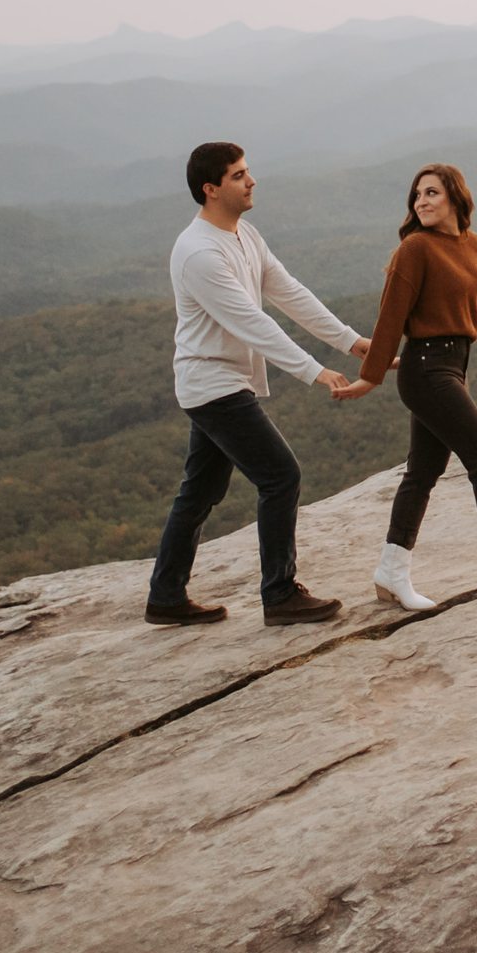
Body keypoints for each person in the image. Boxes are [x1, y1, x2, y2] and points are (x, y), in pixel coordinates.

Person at [146, 141, 376, 628]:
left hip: (220, 382)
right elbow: (254, 323)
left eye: (248, 172)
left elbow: (289, 293)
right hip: (213, 384)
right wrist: (316, 370)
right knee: (280, 475)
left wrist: (353, 343)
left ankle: (165, 596)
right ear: (210, 190)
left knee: (200, 491)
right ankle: (280, 593)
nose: (251, 181)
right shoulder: (198, 254)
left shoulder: (244, 235)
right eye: (238, 176)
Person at [334, 163, 477, 610]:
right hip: (425, 370)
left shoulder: (472, 244)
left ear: (455, 198)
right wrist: (372, 375)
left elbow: (459, 318)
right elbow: (391, 317)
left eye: (431, 193)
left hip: (452, 366)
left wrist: (451, 369)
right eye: (416, 195)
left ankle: (390, 571)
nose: (420, 201)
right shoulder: (415, 249)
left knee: (422, 473)